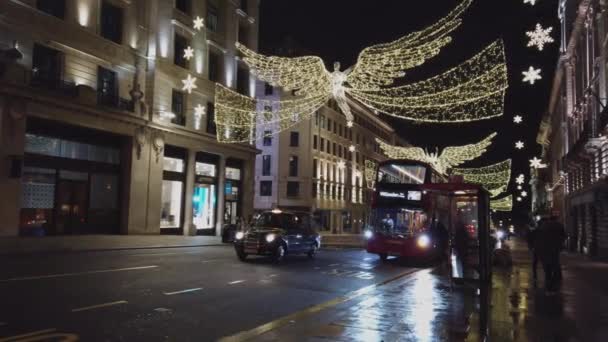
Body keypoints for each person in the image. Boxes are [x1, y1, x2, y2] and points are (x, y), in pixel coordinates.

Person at [536, 215, 566, 294]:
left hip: (545, 248)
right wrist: (560, 243)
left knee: (547, 266)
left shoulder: (543, 226)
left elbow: (539, 237)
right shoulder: (559, 225)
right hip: (555, 248)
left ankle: (549, 283)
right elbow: (564, 236)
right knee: (555, 263)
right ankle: (554, 283)